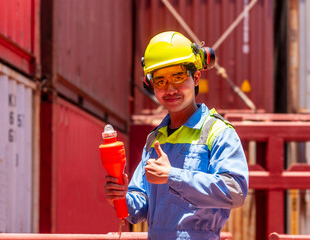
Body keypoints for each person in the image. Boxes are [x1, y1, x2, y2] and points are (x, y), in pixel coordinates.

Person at [104, 31, 249, 240]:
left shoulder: (218, 133)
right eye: (160, 81)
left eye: (178, 77)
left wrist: (172, 176)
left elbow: (236, 191)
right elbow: (139, 209)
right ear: (151, 84)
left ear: (196, 76)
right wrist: (121, 198)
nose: (170, 88)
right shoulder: (156, 138)